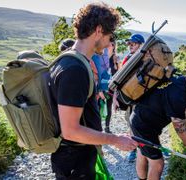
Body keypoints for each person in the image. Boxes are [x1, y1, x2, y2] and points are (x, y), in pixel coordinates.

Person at [48, 3, 138, 179]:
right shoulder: (75, 69)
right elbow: (70, 130)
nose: (109, 42)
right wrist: (115, 140)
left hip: (74, 157)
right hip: (75, 161)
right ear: (98, 30)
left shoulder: (68, 61)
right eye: (109, 35)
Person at [130, 69, 186, 180]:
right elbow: (182, 133)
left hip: (143, 119)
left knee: (143, 151)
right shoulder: (177, 96)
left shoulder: (184, 82)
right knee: (157, 164)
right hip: (143, 125)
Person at [121, 33, 145, 162]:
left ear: (141, 45)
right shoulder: (127, 58)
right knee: (131, 123)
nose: (130, 46)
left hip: (142, 97)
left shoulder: (146, 59)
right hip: (132, 97)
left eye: (133, 43)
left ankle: (148, 149)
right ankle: (133, 150)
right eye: (129, 43)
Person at [92, 47, 113, 133]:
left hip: (108, 88)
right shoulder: (94, 56)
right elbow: (96, 74)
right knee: (97, 109)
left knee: (108, 108)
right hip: (98, 89)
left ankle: (106, 127)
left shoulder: (107, 56)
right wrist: (99, 90)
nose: (109, 46)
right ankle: (97, 129)